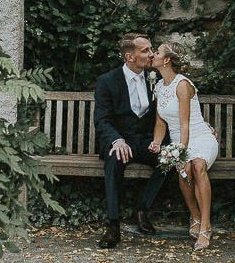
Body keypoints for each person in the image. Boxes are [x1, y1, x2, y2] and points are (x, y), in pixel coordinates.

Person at [94, 33, 167, 249]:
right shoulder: (107, 81)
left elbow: (167, 112)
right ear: (130, 57)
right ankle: (113, 224)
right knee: (114, 160)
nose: (151, 54)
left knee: (168, 160)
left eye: (151, 49)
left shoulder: (155, 79)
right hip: (120, 139)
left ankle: (142, 209)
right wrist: (116, 140)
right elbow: (101, 119)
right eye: (145, 50)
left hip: (145, 140)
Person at [148, 42, 219, 251]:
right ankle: (194, 215)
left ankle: (205, 226)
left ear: (167, 60)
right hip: (179, 139)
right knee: (184, 171)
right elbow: (161, 122)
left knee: (196, 166)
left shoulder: (183, 84)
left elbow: (185, 123)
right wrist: (157, 143)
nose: (153, 54)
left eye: (157, 52)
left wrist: (180, 150)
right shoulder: (159, 86)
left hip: (199, 136)